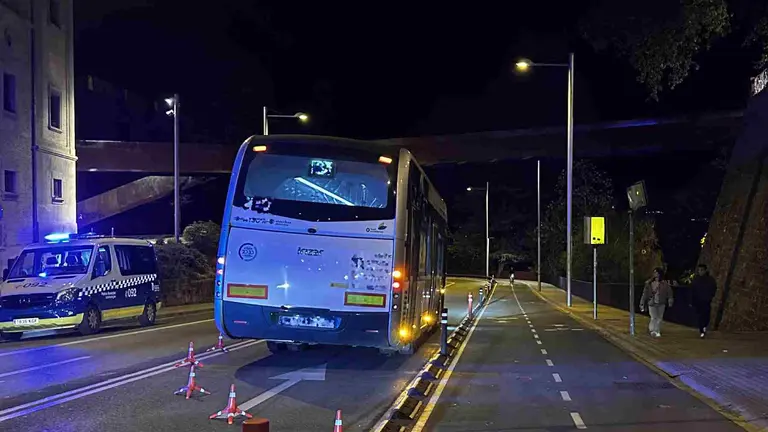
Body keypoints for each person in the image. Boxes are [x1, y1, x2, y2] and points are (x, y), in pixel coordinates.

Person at [640, 267, 674, 337]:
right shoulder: (649, 283)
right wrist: (642, 303)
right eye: (654, 272)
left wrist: (670, 300)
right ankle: (653, 330)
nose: (655, 274)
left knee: (659, 318)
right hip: (652, 302)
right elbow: (645, 294)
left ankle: (657, 330)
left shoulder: (665, 284)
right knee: (653, 317)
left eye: (656, 272)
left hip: (661, 303)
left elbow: (669, 293)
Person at [690, 264, 717, 338]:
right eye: (699, 270)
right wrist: (692, 300)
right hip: (698, 301)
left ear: (705, 270)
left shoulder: (710, 280)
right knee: (700, 316)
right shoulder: (696, 279)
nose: (700, 272)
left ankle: (704, 326)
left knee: (706, 316)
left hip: (706, 301)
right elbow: (692, 290)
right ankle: (701, 330)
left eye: (701, 270)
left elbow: (714, 288)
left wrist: (710, 296)